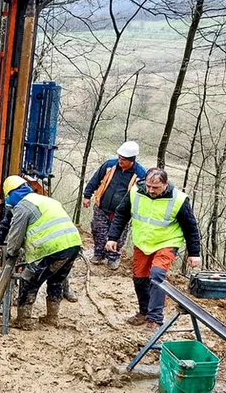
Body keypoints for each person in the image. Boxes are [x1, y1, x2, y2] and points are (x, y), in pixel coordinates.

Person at [106, 168, 201, 332]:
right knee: (139, 278)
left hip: (167, 242)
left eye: (155, 187)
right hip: (142, 242)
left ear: (165, 184)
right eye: (149, 186)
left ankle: (155, 319)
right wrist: (113, 237)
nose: (150, 190)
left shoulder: (178, 200)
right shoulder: (135, 191)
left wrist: (194, 253)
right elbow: (121, 213)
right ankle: (143, 312)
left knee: (156, 275)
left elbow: (191, 227)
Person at [1, 175, 82, 328]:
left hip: (52, 249)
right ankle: (52, 317)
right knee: (57, 280)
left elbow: (15, 235)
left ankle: (23, 320)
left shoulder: (22, 207)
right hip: (73, 243)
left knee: (29, 280)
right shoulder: (45, 199)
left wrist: (11, 253)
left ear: (11, 194)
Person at [0, 208, 79, 302]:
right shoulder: (17, 204)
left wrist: (12, 251)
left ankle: (25, 310)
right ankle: (51, 314)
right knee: (54, 276)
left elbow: (15, 237)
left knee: (35, 278)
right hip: (67, 241)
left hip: (49, 243)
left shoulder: (27, 206)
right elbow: (5, 225)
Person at [83, 141, 146, 270]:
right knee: (98, 230)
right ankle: (98, 254)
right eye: (119, 158)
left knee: (118, 236)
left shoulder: (140, 174)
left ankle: (113, 258)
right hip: (102, 207)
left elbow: (143, 196)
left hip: (123, 213)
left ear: (132, 160)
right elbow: (95, 179)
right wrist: (87, 195)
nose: (120, 161)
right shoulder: (109, 165)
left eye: (123, 159)